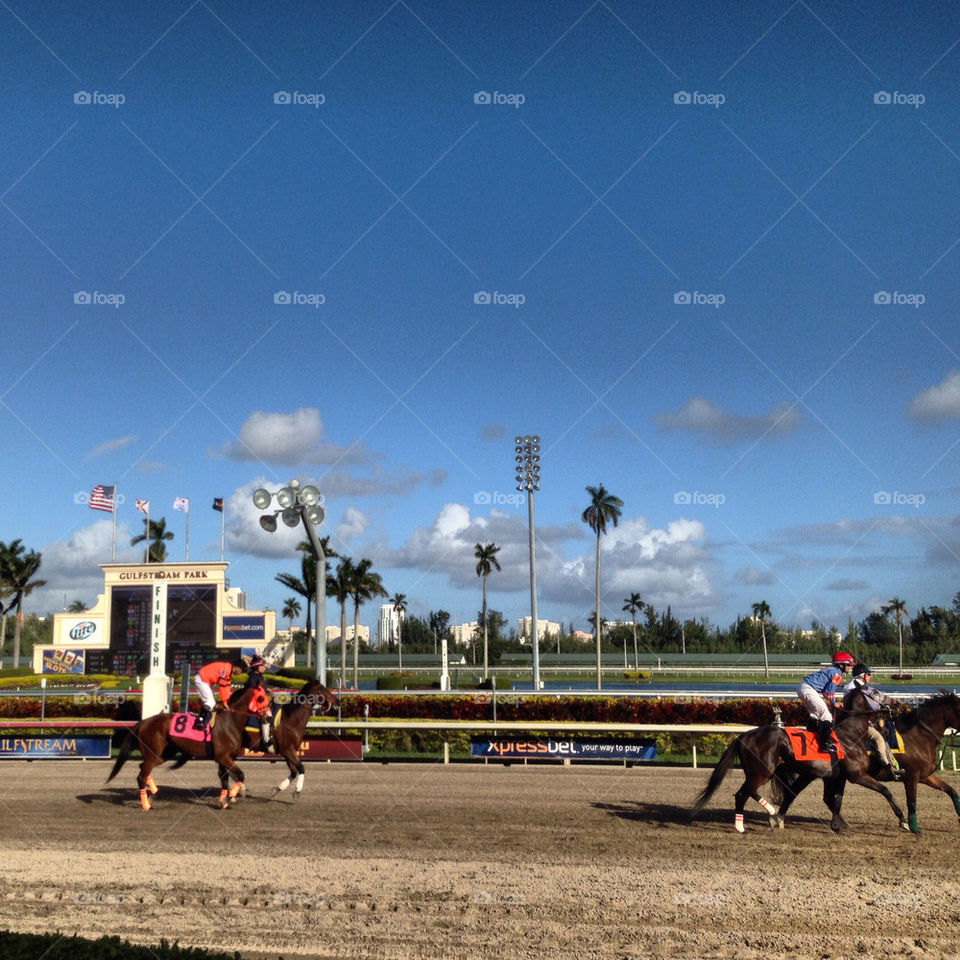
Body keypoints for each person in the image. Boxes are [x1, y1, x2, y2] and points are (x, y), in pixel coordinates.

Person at [844, 664, 899, 780]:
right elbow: (875, 702)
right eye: (868, 674)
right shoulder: (861, 689)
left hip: (854, 720)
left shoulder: (851, 686)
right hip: (857, 723)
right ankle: (888, 767)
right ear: (862, 675)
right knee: (878, 737)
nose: (870, 677)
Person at [797, 651, 855, 752]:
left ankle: (811, 737)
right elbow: (829, 692)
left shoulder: (832, 670)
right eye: (848, 665)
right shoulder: (837, 673)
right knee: (827, 716)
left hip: (803, 687)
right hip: (808, 689)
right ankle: (825, 745)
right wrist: (834, 703)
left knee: (815, 715)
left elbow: (825, 691)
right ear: (841, 665)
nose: (849, 667)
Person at [194, 658, 244, 729]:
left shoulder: (228, 670)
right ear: (237, 667)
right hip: (202, 679)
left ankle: (205, 723)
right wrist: (225, 701)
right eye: (241, 670)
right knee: (210, 702)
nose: (240, 673)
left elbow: (226, 687)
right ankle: (199, 722)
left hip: (204, 680)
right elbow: (222, 686)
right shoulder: (226, 669)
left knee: (213, 705)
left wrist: (226, 701)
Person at [244, 655, 275, 753]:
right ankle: (266, 740)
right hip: (255, 703)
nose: (264, 667)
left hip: (261, 701)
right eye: (262, 665)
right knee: (267, 715)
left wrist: (267, 690)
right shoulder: (253, 678)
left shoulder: (259, 676)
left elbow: (262, 689)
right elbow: (254, 691)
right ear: (256, 667)